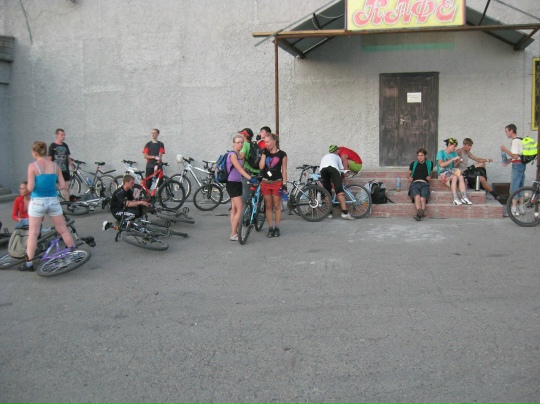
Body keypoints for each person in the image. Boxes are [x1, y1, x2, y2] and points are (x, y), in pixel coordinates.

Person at [20, 141, 75, 272]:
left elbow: (30, 187)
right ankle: (74, 254)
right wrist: (53, 187)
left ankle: (29, 264)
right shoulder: (55, 166)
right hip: (53, 201)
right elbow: (63, 185)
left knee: (33, 233)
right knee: (63, 229)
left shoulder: (32, 166)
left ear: (35, 152)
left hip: (38, 201)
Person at [227, 134, 257, 241]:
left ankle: (233, 232)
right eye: (238, 142)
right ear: (233, 143)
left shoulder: (238, 154)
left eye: (241, 142)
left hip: (236, 183)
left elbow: (241, 168)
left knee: (235, 208)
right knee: (240, 208)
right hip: (232, 184)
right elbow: (239, 169)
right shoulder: (232, 155)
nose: (240, 144)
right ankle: (233, 234)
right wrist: (250, 178)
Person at [259, 133, 288, 236]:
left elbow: (284, 170)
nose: (266, 144)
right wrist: (264, 154)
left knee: (277, 205)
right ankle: (270, 228)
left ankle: (277, 228)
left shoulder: (282, 154)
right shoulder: (265, 152)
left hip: (277, 182)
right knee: (268, 205)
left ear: (274, 141)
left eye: (267, 142)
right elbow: (261, 166)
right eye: (265, 142)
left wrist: (284, 184)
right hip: (266, 182)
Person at [319, 145, 355, 220]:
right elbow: (341, 169)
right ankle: (345, 213)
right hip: (333, 169)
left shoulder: (325, 156)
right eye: (338, 149)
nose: (339, 151)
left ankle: (329, 213)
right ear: (336, 151)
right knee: (339, 191)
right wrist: (345, 173)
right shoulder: (337, 157)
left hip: (323, 170)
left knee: (327, 192)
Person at [436, 138, 472, 205]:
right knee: (455, 177)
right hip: (442, 172)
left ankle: (464, 197)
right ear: (449, 145)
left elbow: (454, 166)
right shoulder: (441, 153)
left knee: (461, 177)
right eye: (454, 146)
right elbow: (441, 165)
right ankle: (455, 198)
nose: (455, 148)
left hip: (451, 170)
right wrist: (452, 159)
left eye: (456, 146)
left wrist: (458, 162)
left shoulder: (454, 153)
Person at [500, 124, 526, 216]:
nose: (506, 133)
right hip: (521, 164)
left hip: (517, 165)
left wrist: (505, 150)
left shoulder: (515, 141)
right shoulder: (520, 140)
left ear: (511, 131)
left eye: (506, 131)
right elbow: (518, 155)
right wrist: (509, 160)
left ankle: (513, 209)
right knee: (520, 186)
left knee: (514, 187)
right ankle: (521, 208)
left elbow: (515, 155)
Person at [407, 148, 433, 221]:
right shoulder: (413, 164)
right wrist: (409, 178)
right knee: (417, 197)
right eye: (418, 155)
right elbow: (408, 174)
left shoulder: (429, 163)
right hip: (415, 183)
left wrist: (430, 176)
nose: (420, 157)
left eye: (422, 155)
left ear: (425, 156)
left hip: (424, 183)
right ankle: (420, 213)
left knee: (422, 199)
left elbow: (431, 173)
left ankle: (419, 215)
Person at [48, 128, 73, 200]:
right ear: (57, 135)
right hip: (55, 171)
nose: (63, 136)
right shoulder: (52, 146)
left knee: (66, 188)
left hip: (65, 170)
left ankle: (68, 203)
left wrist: (71, 163)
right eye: (62, 135)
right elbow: (49, 158)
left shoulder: (65, 145)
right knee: (54, 187)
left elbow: (67, 156)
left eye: (64, 135)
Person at [238, 128, 260, 203]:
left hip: (248, 174)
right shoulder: (252, 144)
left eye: (241, 134)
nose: (240, 135)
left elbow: (242, 157)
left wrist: (236, 156)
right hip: (256, 173)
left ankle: (247, 210)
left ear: (245, 135)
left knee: (246, 198)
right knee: (255, 197)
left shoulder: (244, 145)